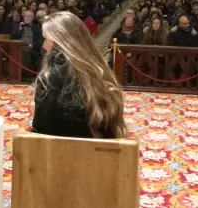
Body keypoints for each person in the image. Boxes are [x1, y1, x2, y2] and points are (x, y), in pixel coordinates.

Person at [32, 11, 127, 139]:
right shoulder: (101, 71)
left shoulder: (49, 78)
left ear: (59, 42)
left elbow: (41, 134)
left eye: (46, 39)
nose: (44, 46)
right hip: (102, 154)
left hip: (60, 154)